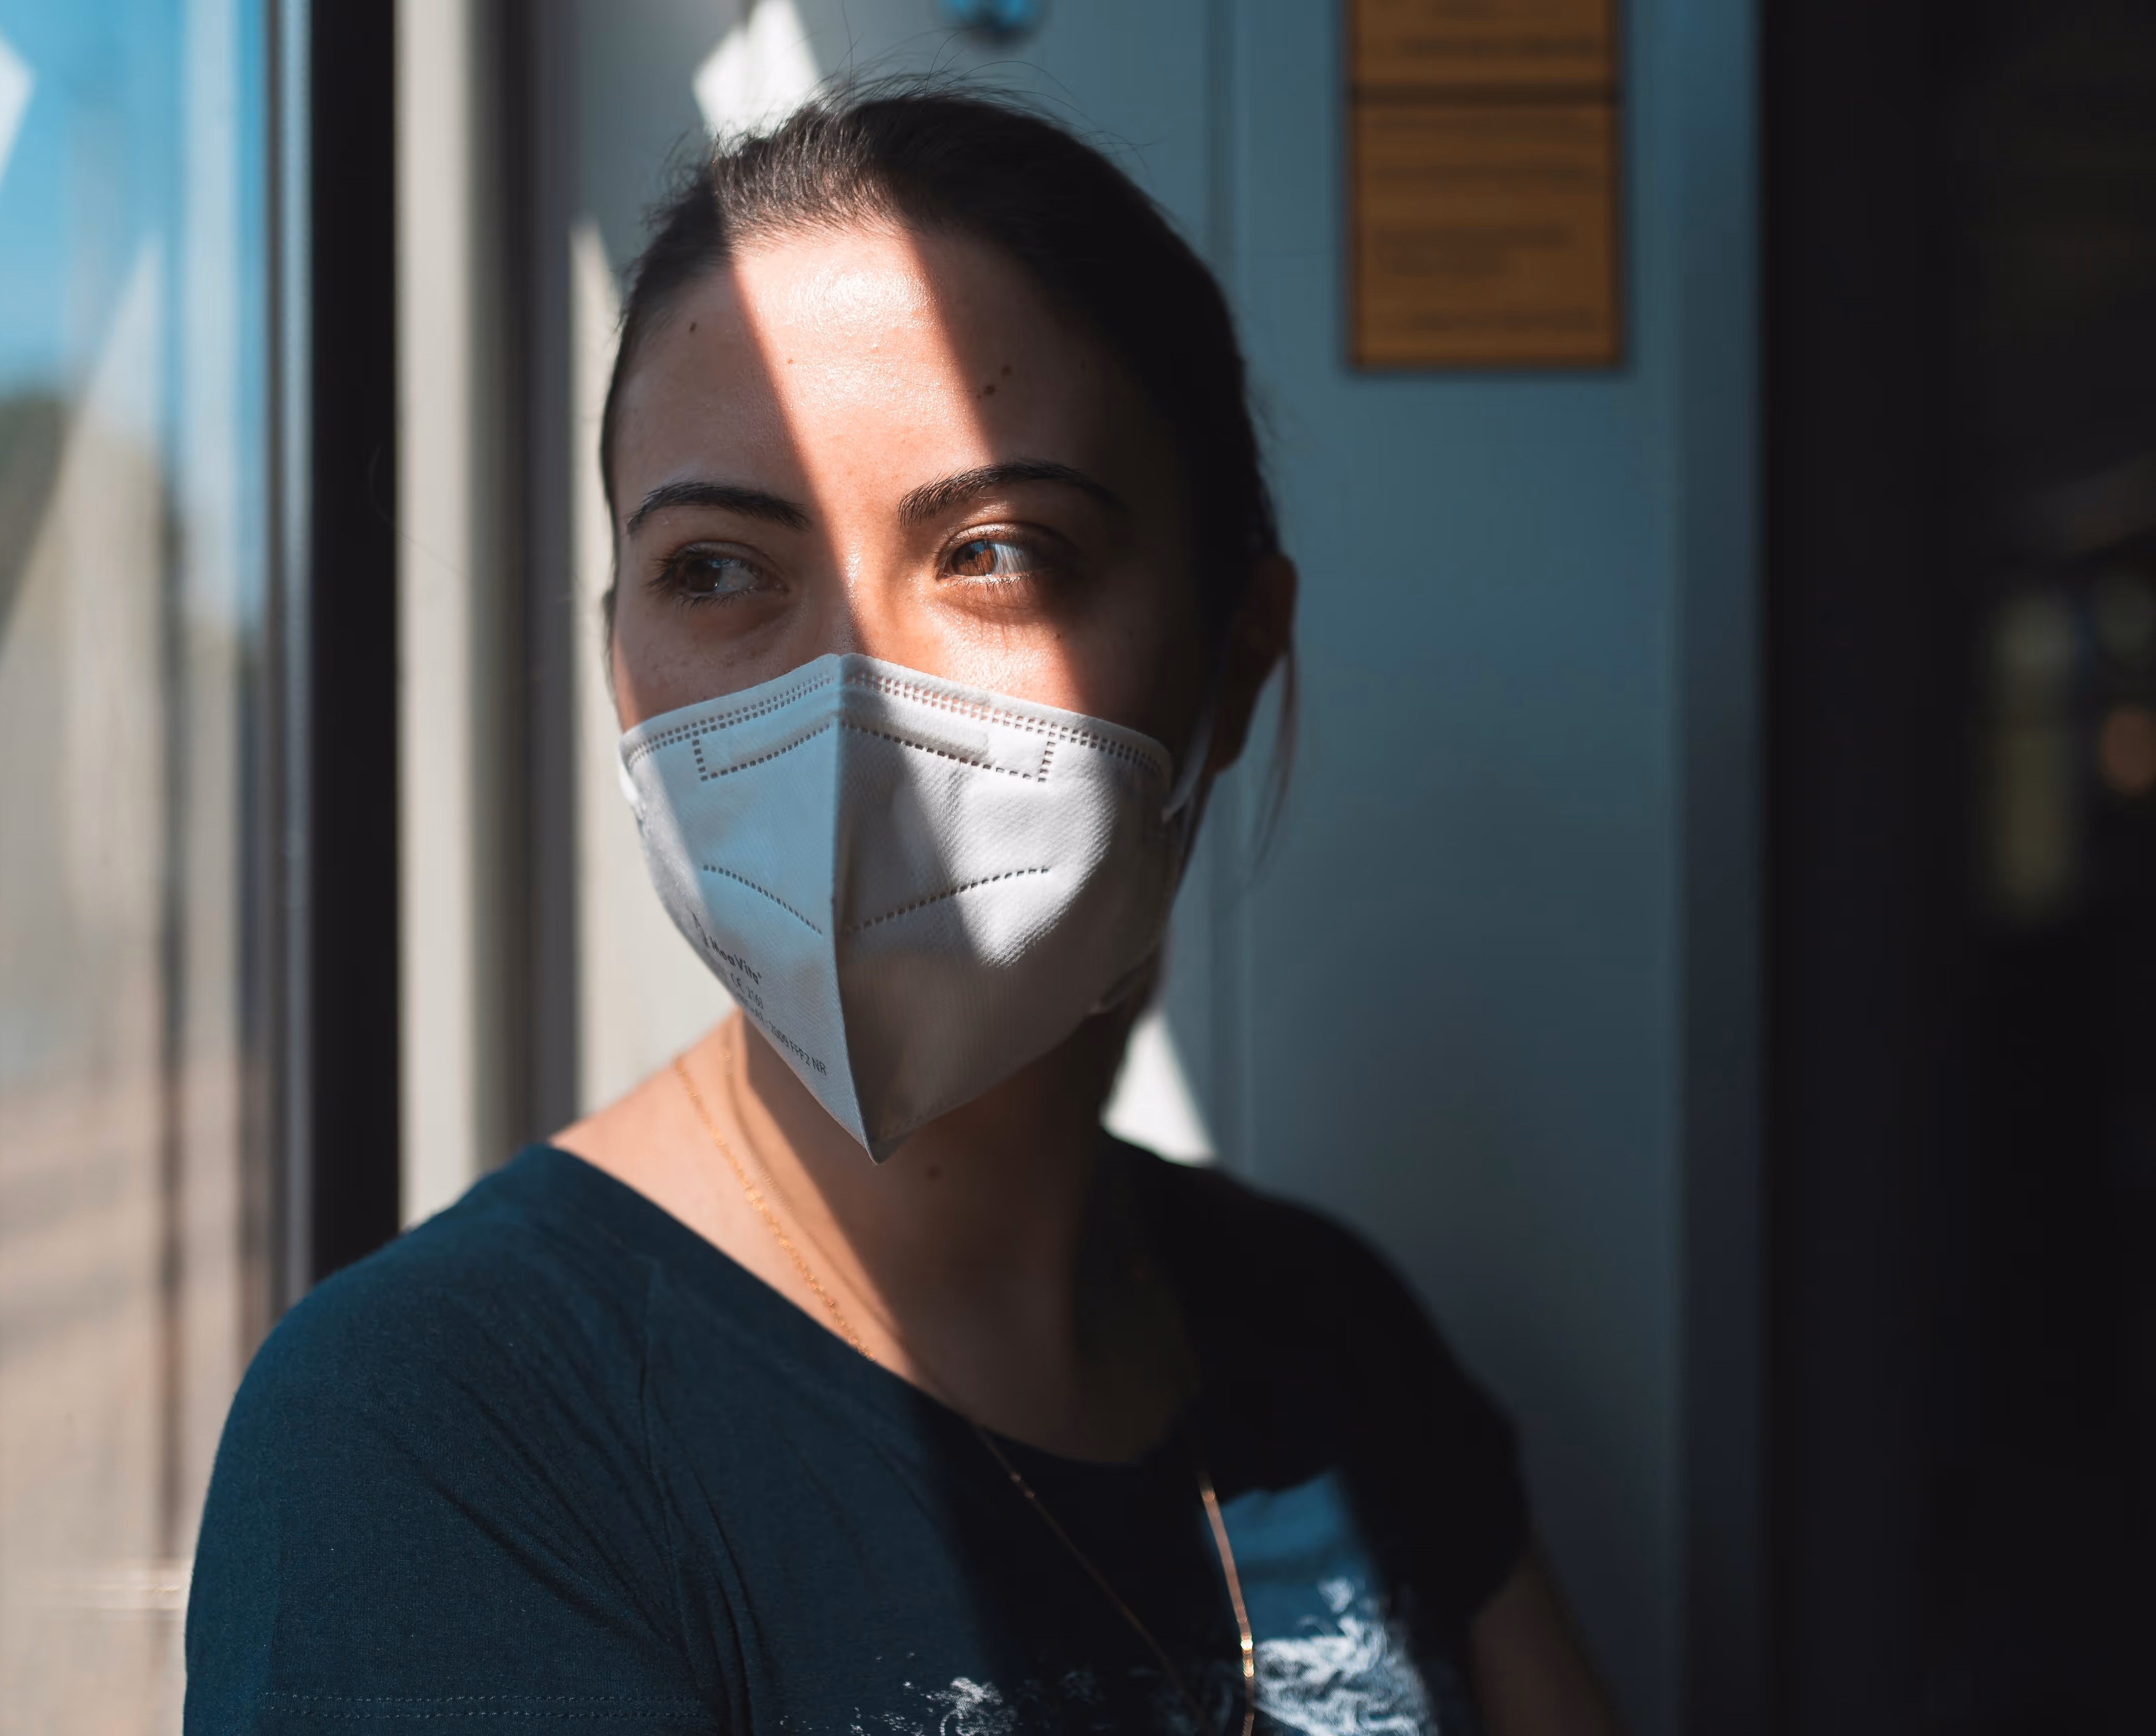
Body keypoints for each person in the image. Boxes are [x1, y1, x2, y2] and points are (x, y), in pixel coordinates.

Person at [187, 88, 1620, 1736]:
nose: (845, 707)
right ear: (618, 656)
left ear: (1235, 646)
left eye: (998, 552)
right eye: (718, 570)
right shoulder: (442, 1433)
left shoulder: (1326, 1339)